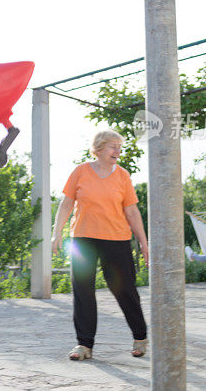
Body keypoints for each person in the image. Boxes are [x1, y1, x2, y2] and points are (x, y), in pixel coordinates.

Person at [51, 130, 149, 361]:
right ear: (98, 149)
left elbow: (132, 211)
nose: (118, 151)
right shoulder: (81, 172)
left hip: (117, 238)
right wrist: (56, 234)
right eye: (113, 146)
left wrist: (144, 242)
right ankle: (84, 345)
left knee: (124, 288)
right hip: (83, 238)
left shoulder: (123, 176)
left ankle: (140, 336)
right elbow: (66, 204)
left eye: (119, 146)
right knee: (83, 290)